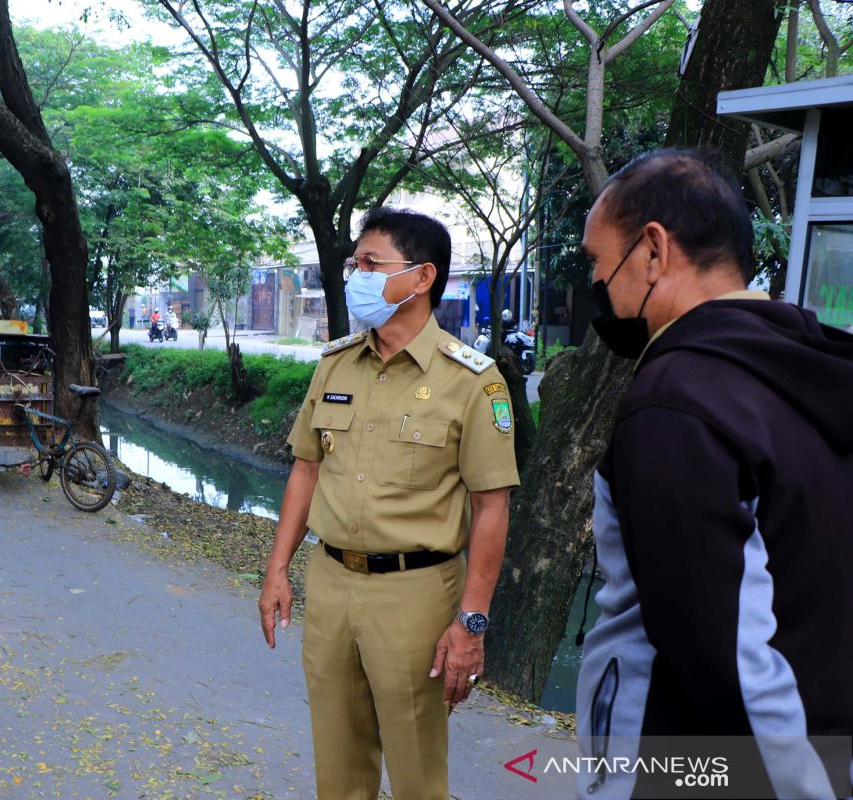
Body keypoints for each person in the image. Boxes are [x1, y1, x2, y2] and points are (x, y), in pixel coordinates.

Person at [576, 149, 853, 799]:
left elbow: (728, 662)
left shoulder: (677, 403)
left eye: (598, 261)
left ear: (652, 251)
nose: (597, 285)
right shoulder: (807, 372)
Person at [258, 207, 519, 799]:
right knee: (340, 764)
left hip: (416, 596)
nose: (357, 273)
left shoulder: (473, 380)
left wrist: (471, 622)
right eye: (355, 262)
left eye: (372, 263)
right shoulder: (335, 364)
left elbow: (492, 507)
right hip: (329, 583)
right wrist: (278, 570)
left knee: (415, 774)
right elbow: (305, 469)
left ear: (422, 277)